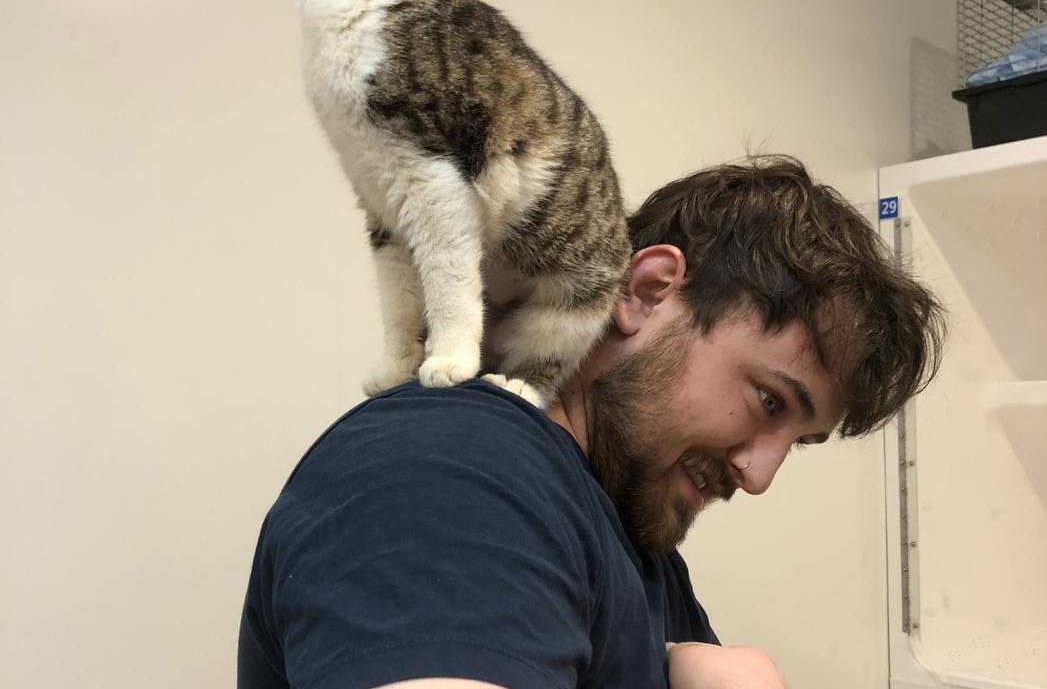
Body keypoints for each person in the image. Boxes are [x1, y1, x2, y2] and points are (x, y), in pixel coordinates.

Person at [238, 155, 945, 689]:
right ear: (645, 292)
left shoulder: (628, 534)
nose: (758, 475)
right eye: (769, 402)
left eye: (799, 441)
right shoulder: (450, 470)